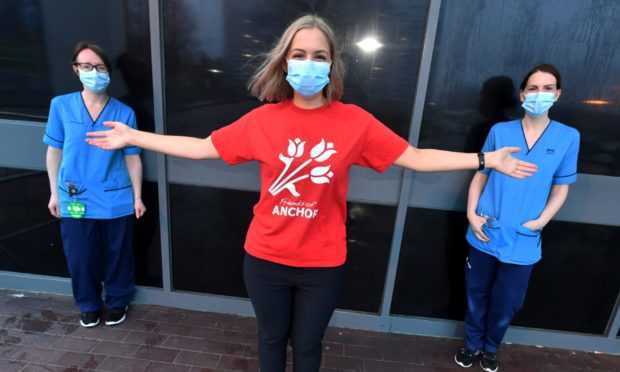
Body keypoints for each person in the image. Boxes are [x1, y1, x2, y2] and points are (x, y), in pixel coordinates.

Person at [86, 15, 536, 372]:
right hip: (264, 257)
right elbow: (203, 148)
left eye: (318, 55)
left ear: (331, 64)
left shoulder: (354, 122)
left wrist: (485, 160)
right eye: (299, 54)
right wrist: (134, 136)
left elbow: (415, 157)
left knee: (306, 346)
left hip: (322, 261)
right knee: (269, 339)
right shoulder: (263, 120)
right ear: (285, 61)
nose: (308, 62)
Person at [454, 64, 580, 372]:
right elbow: (480, 176)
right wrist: (472, 214)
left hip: (523, 239)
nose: (540, 94)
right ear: (522, 94)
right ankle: (471, 345)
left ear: (558, 94)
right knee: (476, 294)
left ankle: (491, 347)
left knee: (507, 301)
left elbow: (561, 190)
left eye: (547, 88)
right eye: (533, 88)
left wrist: (539, 223)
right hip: (486, 231)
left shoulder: (568, 137)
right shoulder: (500, 131)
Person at [44, 41, 146, 328]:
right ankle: (88, 304)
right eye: (87, 66)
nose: (94, 72)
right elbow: (55, 152)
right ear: (76, 70)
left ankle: (118, 300)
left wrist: (137, 197)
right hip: (75, 195)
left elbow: (133, 158)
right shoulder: (61, 106)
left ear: (109, 72)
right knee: (81, 256)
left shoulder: (124, 112)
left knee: (118, 253)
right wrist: (54, 192)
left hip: (116, 196)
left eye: (100, 67)